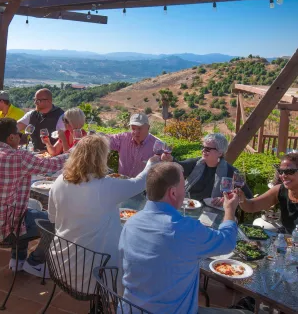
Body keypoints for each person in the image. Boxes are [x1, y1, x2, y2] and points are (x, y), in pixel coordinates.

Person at [119, 162, 248, 314]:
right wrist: (229, 210)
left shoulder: (131, 222)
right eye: (183, 184)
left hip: (131, 309)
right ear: (173, 193)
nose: (185, 189)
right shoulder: (186, 229)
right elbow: (227, 242)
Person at [48, 134, 158, 293]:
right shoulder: (105, 186)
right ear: (100, 159)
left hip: (60, 264)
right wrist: (151, 164)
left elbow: (52, 217)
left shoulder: (59, 181)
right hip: (94, 275)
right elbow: (139, 184)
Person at [0, 118, 68, 277]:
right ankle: (35, 262)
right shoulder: (19, 157)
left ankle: (18, 260)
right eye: (18, 133)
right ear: (11, 138)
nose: (21, 136)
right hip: (7, 231)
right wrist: (71, 154)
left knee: (25, 211)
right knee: (58, 223)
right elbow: (52, 166)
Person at [162, 133, 253, 202]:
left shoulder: (232, 172)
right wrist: (170, 159)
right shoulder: (196, 163)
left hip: (215, 212)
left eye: (208, 149)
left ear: (220, 153)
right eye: (203, 147)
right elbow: (178, 166)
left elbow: (247, 197)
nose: (203, 151)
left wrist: (227, 199)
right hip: (189, 206)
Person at [238, 152, 298, 234]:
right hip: (286, 240)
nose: (283, 175)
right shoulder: (279, 190)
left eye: (290, 171)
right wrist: (241, 199)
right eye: (281, 171)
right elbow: (252, 206)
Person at [109, 113, 159, 209]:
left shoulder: (156, 145)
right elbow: (105, 141)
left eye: (139, 128)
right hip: (122, 188)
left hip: (142, 193)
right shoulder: (123, 138)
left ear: (148, 128)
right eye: (133, 128)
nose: (136, 132)